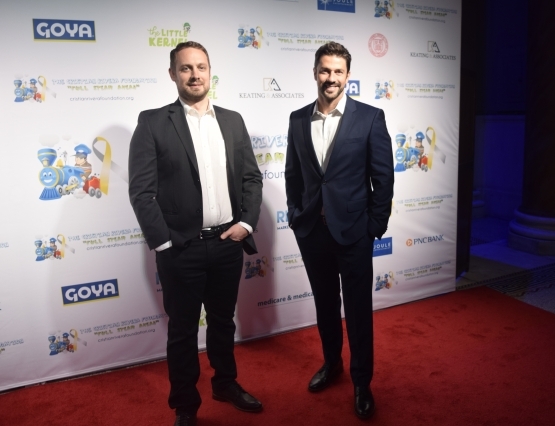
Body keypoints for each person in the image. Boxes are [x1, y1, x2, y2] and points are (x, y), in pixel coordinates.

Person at [128, 41, 263, 426]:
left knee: (223, 322)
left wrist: (246, 224)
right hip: (180, 249)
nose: (194, 75)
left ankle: (225, 383)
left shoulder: (233, 120)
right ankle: (186, 405)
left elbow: (251, 178)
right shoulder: (153, 122)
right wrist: (165, 244)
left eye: (201, 67)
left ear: (210, 72)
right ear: (173, 74)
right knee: (183, 331)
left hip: (227, 243)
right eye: (185, 68)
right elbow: (141, 191)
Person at [284, 42, 394, 419]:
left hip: (354, 232)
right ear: (315, 72)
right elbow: (293, 174)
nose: (331, 78)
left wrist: (374, 227)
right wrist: (296, 215)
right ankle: (333, 364)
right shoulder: (298, 119)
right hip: (312, 231)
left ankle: (362, 382)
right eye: (325, 70)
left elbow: (383, 178)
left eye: (338, 72)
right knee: (325, 304)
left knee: (358, 309)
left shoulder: (370, 118)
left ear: (348, 76)